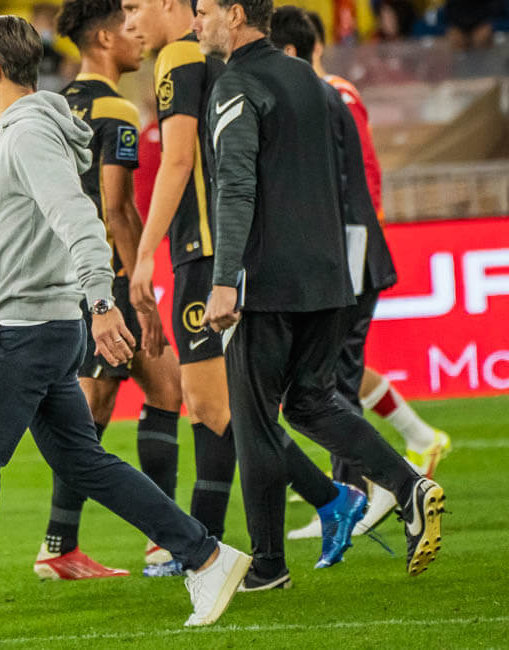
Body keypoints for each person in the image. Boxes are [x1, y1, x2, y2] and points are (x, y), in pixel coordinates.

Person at [0, 16, 250, 646]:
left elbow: (78, 218)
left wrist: (102, 303)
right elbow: (26, 233)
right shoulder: (30, 130)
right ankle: (205, 556)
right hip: (47, 323)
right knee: (85, 462)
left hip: (29, 329)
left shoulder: (26, 134)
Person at [193, 0, 446, 587]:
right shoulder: (313, 82)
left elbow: (236, 186)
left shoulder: (235, 84)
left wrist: (225, 279)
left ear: (235, 14)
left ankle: (268, 564)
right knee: (311, 402)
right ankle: (408, 485)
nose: (195, 22)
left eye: (203, 11)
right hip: (330, 273)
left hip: (267, 280)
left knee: (255, 421)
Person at [30, 0, 187, 582]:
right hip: (104, 274)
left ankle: (154, 540)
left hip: (61, 267)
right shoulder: (116, 109)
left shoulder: (53, 105)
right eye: (126, 26)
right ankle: (62, 545)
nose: (137, 35)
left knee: (164, 386)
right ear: (102, 38)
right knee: (92, 405)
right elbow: (117, 207)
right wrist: (139, 281)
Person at [281, 8, 452, 541]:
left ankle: (357, 493)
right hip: (337, 254)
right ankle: (396, 457)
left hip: (350, 254)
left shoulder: (335, 95)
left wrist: (356, 246)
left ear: (289, 52)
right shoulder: (317, 97)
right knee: (330, 372)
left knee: (334, 378)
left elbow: (363, 175)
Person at [119, 0, 239, 575]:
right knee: (214, 402)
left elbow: (178, 160)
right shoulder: (208, 57)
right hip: (220, 245)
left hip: (204, 247)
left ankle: (329, 498)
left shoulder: (178, 57)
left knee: (210, 403)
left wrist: (145, 255)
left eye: (133, 8)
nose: (128, 24)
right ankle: (203, 546)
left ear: (169, 4)